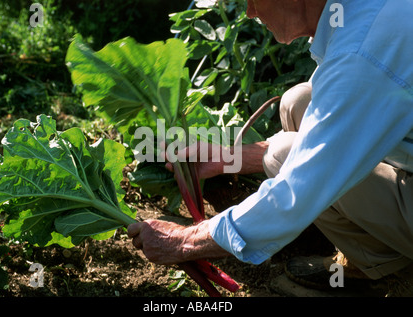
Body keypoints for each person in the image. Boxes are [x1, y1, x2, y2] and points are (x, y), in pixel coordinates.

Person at [127, 0, 413, 296]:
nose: (250, 12)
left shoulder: (361, 54)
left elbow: (295, 193)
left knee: (285, 154)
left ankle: (389, 266)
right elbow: (332, 123)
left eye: (252, 0)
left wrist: (182, 241)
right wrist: (228, 158)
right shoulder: (362, 16)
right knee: (298, 102)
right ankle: (381, 252)